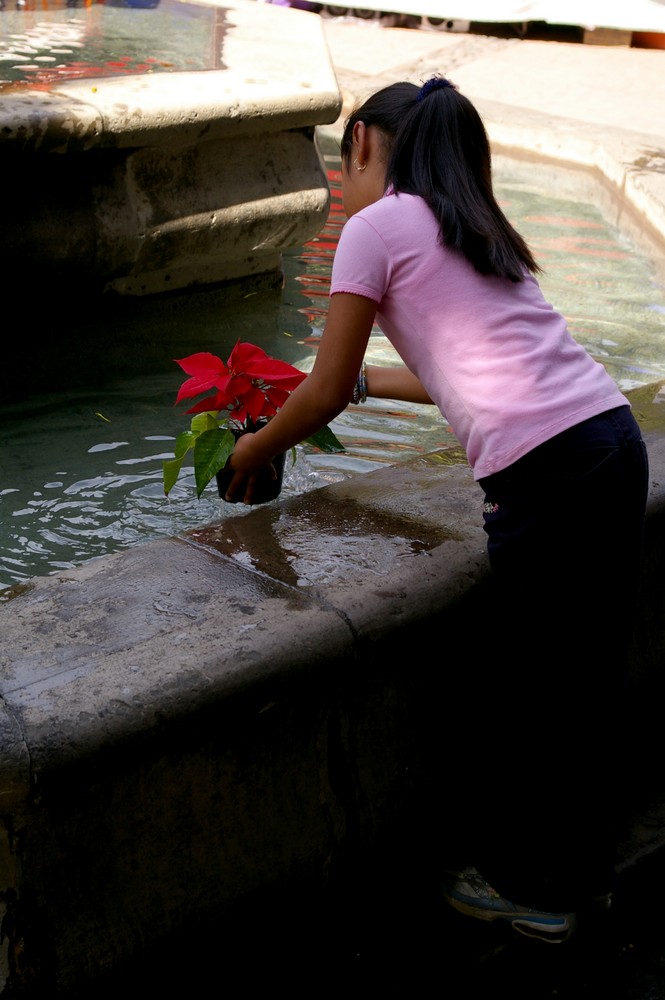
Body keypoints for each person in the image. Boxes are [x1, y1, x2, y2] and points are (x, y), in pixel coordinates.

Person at [227, 76, 649, 943]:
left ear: (370, 147)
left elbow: (325, 385)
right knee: (585, 679)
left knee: (537, 693)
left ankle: (536, 891)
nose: (342, 184)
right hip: (607, 439)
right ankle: (584, 876)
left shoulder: (375, 226)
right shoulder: (469, 218)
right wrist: (360, 388)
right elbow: (461, 368)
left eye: (344, 161)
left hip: (547, 472)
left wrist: (251, 448)